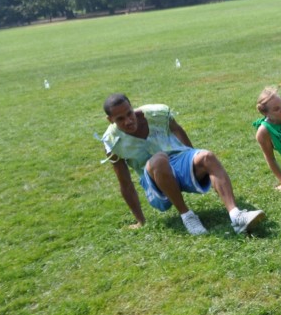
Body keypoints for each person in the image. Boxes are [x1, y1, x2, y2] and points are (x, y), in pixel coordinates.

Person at [100, 94, 265, 235]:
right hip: (153, 182)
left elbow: (178, 130)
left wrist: (195, 160)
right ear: (110, 120)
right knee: (159, 159)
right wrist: (140, 221)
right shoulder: (112, 141)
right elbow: (125, 183)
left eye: (129, 113)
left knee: (207, 156)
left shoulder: (157, 113)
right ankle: (188, 216)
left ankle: (236, 216)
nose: (128, 121)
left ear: (131, 107)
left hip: (177, 163)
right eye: (120, 119)